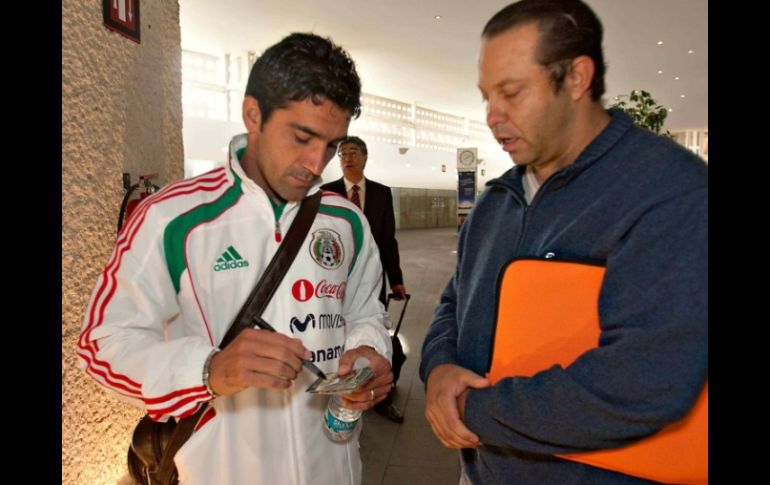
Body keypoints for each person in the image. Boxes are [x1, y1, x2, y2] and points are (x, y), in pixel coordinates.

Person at [77, 32, 394, 485]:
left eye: (331, 145)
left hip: (334, 468)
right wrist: (207, 370)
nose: (315, 163)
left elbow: (364, 310)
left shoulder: (346, 222)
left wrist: (369, 350)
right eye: (302, 137)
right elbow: (101, 346)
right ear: (253, 114)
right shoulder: (173, 218)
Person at [419, 1, 708, 484]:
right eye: (487, 96)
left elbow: (645, 380)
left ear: (576, 77)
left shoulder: (669, 191)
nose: (493, 116)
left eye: (511, 93)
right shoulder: (496, 202)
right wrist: (439, 369)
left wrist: (474, 409)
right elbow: (454, 301)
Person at [322, 136, 407, 423]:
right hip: (331, 282)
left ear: (365, 157)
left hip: (371, 282)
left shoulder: (382, 193)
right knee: (333, 333)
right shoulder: (325, 193)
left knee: (374, 332)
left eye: (354, 152)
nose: (348, 157)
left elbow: (387, 241)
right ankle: (341, 390)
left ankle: (381, 394)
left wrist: (396, 279)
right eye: (343, 153)